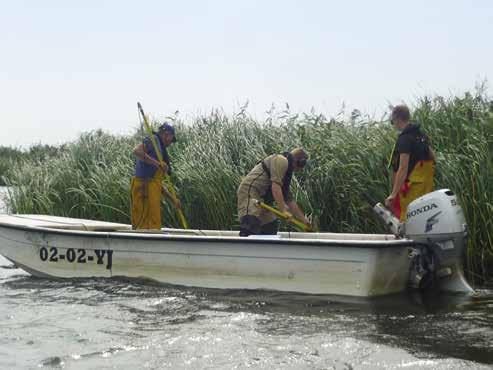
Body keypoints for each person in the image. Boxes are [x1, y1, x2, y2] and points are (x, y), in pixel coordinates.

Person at [237, 148, 311, 236]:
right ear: (300, 161)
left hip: (261, 198)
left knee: (270, 225)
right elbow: (275, 186)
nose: (301, 169)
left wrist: (304, 220)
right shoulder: (281, 160)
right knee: (251, 222)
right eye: (303, 164)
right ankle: (245, 246)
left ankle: (266, 249)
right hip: (250, 191)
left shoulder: (285, 171)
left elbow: (288, 199)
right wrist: (283, 209)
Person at [385, 105, 436, 221]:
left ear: (397, 119)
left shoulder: (404, 139)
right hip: (426, 188)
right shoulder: (421, 135)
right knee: (424, 220)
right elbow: (433, 158)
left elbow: (402, 168)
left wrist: (393, 194)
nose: (394, 124)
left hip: (412, 189)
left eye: (392, 121)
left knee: (408, 220)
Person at [130, 123, 180, 229]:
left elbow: (157, 183)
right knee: (143, 224)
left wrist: (173, 199)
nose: (170, 143)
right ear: (166, 134)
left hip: (152, 190)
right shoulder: (153, 140)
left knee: (153, 224)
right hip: (143, 189)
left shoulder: (160, 149)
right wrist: (157, 164)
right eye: (171, 139)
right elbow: (136, 151)